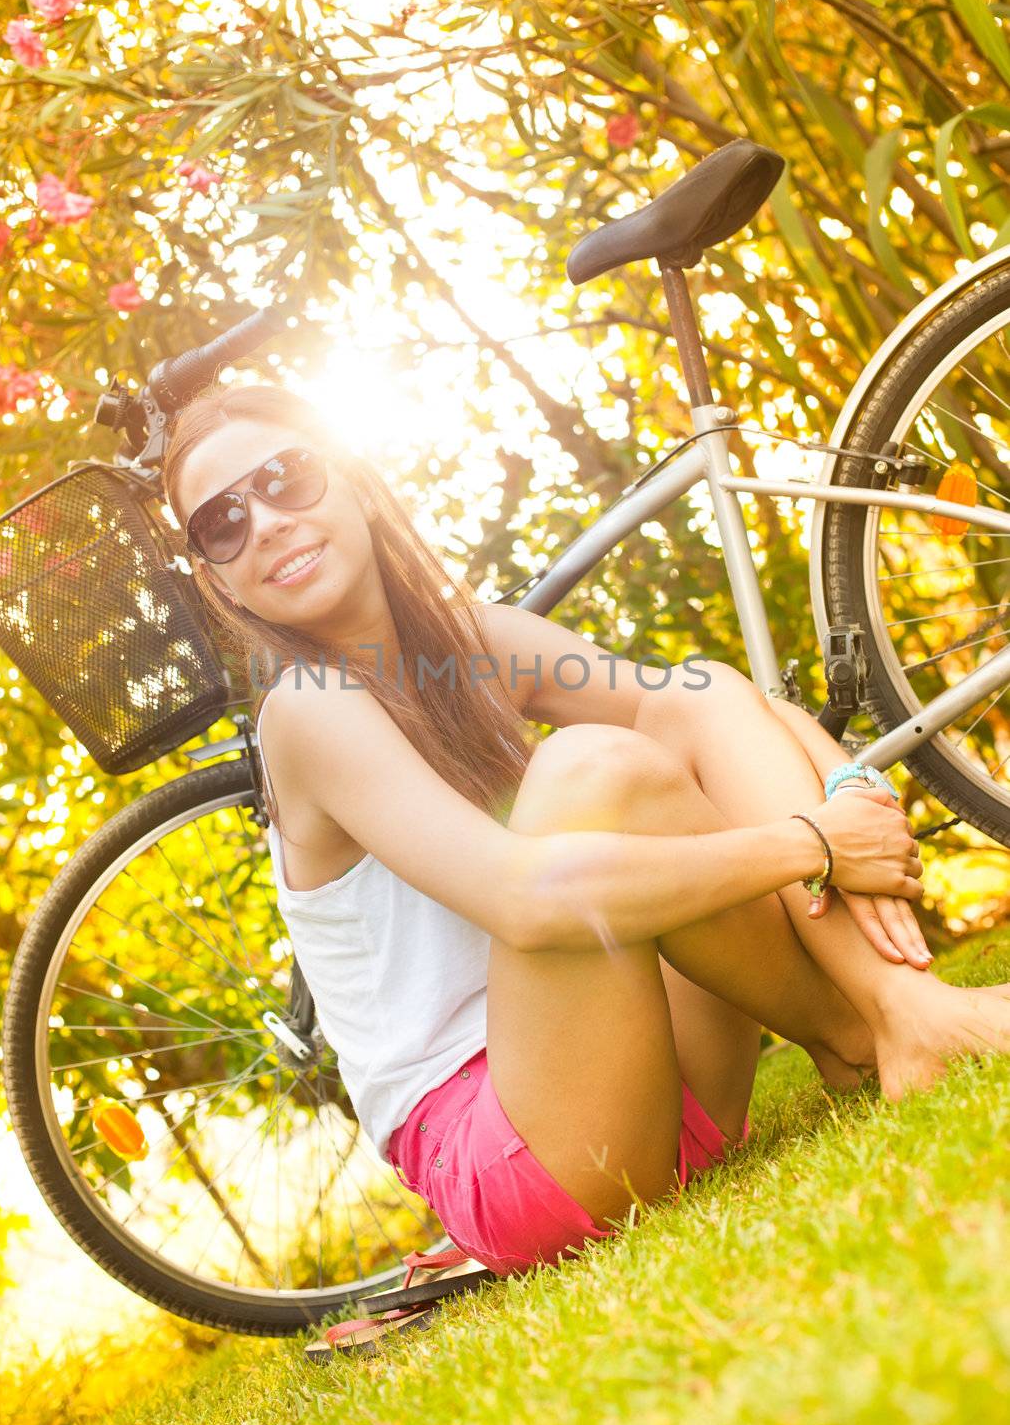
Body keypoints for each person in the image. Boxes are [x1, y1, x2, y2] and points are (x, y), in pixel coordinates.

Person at [163, 382, 1010, 1281]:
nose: (263, 524)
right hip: (523, 1162)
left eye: (285, 477)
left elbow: (723, 702)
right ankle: (883, 1024)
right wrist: (816, 839)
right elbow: (525, 904)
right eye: (221, 523)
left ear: (353, 479)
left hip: (654, 1087)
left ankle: (891, 1021)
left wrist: (843, 781)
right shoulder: (308, 707)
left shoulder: (477, 640)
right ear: (217, 577)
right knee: (591, 773)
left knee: (690, 695)